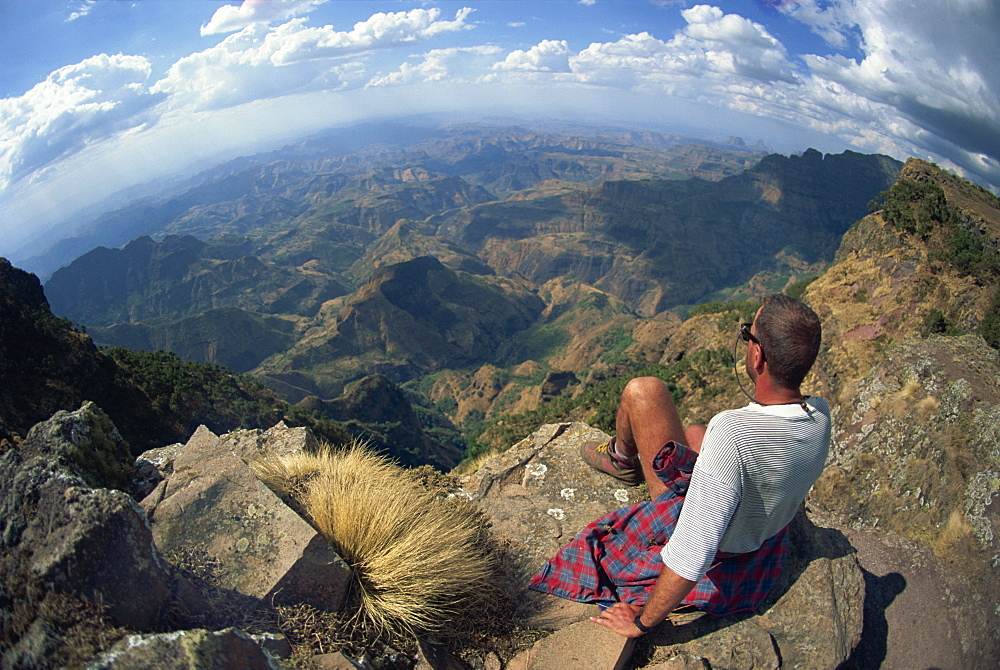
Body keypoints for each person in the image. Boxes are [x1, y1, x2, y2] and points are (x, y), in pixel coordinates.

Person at [528, 294, 831, 638]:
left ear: (757, 355)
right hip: (760, 531)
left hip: (724, 549)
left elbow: (691, 556)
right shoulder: (820, 413)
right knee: (695, 432)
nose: (746, 342)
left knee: (643, 390)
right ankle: (624, 458)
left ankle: (622, 459)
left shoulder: (733, 433)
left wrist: (641, 623)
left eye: (749, 335)